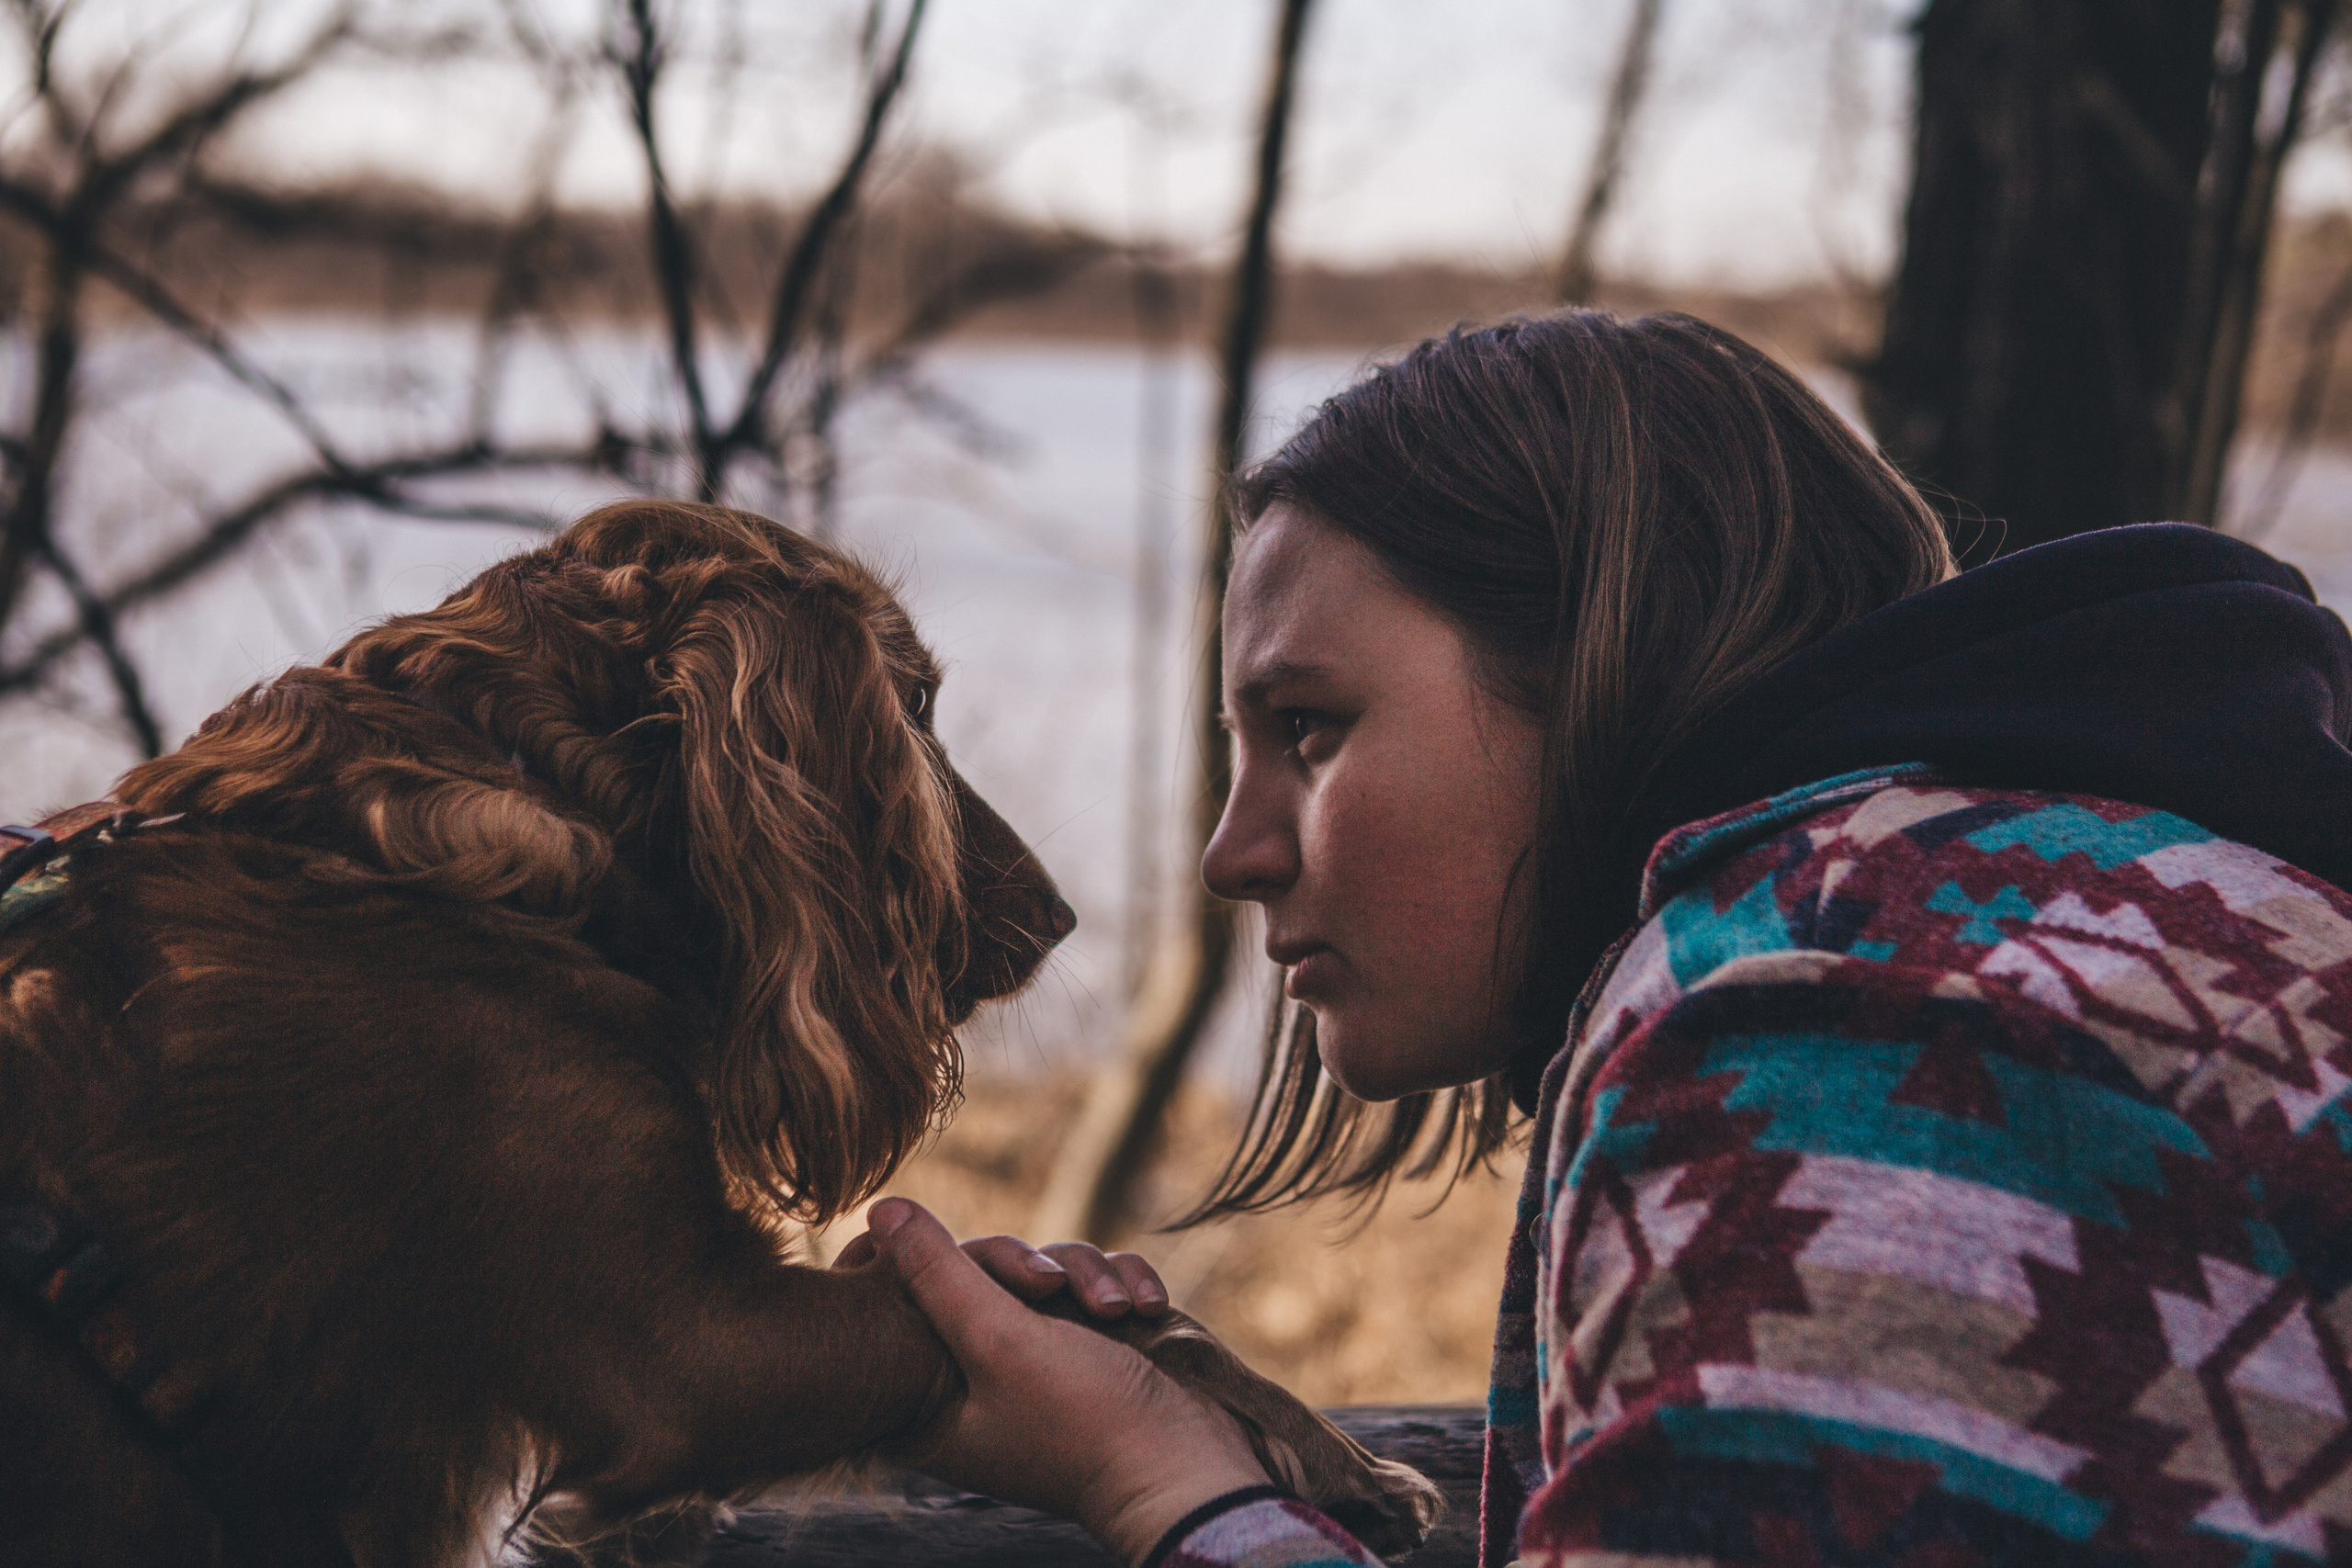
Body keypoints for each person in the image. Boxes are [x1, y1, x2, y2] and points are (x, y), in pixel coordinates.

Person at [849, 310, 2352, 1566]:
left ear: (1600, 668)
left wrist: (1159, 1485)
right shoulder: (2065, 925)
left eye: (1309, 728)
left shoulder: (1849, 1029)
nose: (1230, 854)